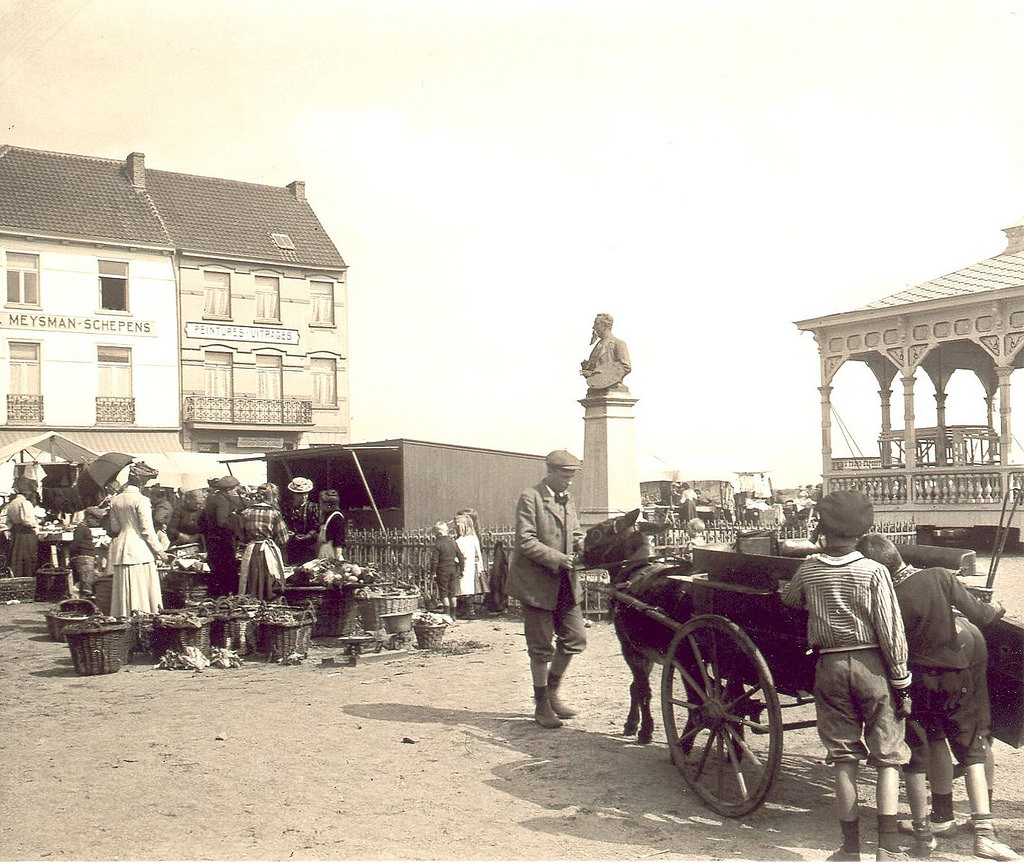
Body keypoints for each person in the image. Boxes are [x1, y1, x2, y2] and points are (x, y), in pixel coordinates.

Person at [856, 533, 1017, 861]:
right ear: (897, 555)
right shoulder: (940, 576)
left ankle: (926, 830)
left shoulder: (885, 598)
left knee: (922, 752)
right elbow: (982, 615)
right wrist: (996, 607)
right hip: (953, 678)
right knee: (971, 750)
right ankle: (984, 834)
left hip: (913, 684)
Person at [780, 490, 912, 862]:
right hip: (871, 665)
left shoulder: (809, 568)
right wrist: (901, 679)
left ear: (824, 527)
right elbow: (890, 629)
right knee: (888, 755)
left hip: (829, 667)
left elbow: (791, 600)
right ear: (863, 529)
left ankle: (849, 849)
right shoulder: (874, 571)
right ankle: (888, 848)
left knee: (843, 756)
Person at [507, 449, 587, 730]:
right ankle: (541, 703)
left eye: (573, 476)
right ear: (550, 472)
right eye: (566, 475)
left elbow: (575, 533)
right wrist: (558, 558)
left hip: (565, 581)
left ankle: (552, 691)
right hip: (537, 584)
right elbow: (525, 541)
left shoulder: (568, 499)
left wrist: (582, 547)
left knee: (575, 639)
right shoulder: (531, 497)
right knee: (541, 648)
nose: (569, 481)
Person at [106, 462, 169, 617]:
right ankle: (143, 618)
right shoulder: (142, 500)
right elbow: (146, 529)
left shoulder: (115, 500)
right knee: (141, 586)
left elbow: (115, 528)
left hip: (122, 546)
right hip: (139, 547)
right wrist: (160, 551)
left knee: (125, 587)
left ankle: (124, 615)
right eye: (146, 481)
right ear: (141, 481)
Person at [237, 482, 290, 601]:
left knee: (251, 578)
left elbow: (241, 535)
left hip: (251, 549)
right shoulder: (274, 513)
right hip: (267, 549)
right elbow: (283, 538)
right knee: (270, 576)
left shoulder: (246, 512)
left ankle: (252, 602)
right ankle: (268, 603)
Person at [198, 475, 244, 598]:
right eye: (235, 489)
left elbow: (201, 521)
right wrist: (236, 528)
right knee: (227, 573)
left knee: (217, 573)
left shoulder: (212, 499)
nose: (236, 492)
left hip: (212, 542)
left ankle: (218, 599)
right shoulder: (223, 501)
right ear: (228, 490)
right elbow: (222, 522)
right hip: (223, 543)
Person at [580, 312, 631, 392]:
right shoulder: (598, 346)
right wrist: (588, 370)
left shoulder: (618, 343)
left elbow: (626, 367)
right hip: (596, 389)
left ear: (604, 326)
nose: (594, 327)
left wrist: (603, 375)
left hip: (612, 388)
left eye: (596, 324)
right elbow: (595, 370)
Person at [69, 506, 108, 598]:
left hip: (88, 556)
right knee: (86, 582)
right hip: (84, 557)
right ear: (89, 518)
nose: (98, 523)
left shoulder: (84, 528)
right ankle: (86, 601)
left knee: (89, 579)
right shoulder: (81, 528)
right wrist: (73, 556)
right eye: (97, 520)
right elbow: (76, 543)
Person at [5, 476, 40, 580]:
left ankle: (17, 583)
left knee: (17, 559)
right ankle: (28, 582)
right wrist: (36, 525)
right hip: (26, 534)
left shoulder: (12, 503)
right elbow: (27, 520)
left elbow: (9, 520)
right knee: (28, 560)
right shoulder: (25, 503)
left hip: (16, 533)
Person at [430, 520, 465, 618]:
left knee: (444, 593)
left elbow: (434, 561)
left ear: (439, 533)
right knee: (452, 593)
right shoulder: (453, 543)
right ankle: (453, 615)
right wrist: (462, 569)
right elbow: (461, 557)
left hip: (442, 571)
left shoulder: (438, 544)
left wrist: (433, 573)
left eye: (435, 534)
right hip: (453, 570)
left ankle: (447, 614)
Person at [454, 511, 485, 619]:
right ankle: (467, 610)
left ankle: (469, 611)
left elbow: (462, 555)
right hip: (472, 566)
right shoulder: (473, 538)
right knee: (467, 589)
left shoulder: (461, 541)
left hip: (465, 566)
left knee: (464, 588)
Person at [283, 477, 320, 565]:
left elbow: (317, 527)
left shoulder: (313, 508)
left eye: (305, 494)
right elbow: (284, 524)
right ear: (293, 494)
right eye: (300, 494)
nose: (304, 497)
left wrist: (307, 536)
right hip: (292, 547)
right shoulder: (287, 508)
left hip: (309, 547)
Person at [316, 489, 347, 560]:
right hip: (324, 551)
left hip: (332, 552)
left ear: (329, 505)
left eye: (321, 503)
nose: (320, 506)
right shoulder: (326, 516)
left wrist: (338, 556)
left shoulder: (337, 518)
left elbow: (339, 539)